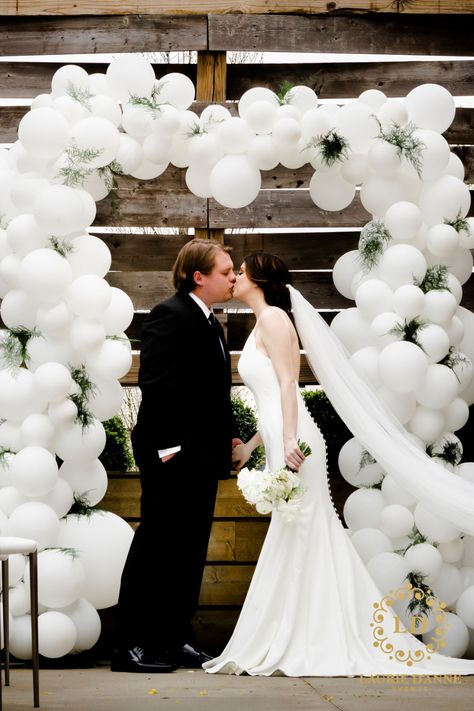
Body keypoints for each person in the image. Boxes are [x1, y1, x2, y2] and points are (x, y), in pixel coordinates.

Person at [203, 252, 474, 677]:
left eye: (240, 271)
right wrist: (254, 445)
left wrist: (290, 442)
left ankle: (309, 636)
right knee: (301, 536)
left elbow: (291, 383)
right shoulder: (264, 322)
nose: (234, 277)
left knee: (302, 533)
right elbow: (271, 400)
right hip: (283, 440)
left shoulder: (275, 319)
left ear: (259, 280)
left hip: (297, 445)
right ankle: (305, 632)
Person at [112, 239, 240, 673]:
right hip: (171, 454)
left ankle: (174, 638)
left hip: (203, 457)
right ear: (198, 277)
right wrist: (170, 447)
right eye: (226, 272)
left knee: (189, 549)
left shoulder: (213, 326)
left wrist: (231, 439)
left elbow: (214, 396)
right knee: (156, 546)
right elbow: (158, 384)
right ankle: (130, 645)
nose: (234, 278)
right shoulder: (170, 314)